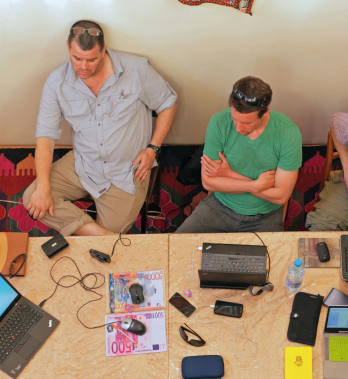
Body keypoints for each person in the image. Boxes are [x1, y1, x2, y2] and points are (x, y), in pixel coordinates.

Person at [23, 20, 177, 236]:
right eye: (77, 58)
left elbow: (167, 104)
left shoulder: (137, 69)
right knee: (32, 198)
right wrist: (43, 189)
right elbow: (45, 138)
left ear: (104, 51)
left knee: (106, 241)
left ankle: (94, 234)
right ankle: (103, 237)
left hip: (126, 172)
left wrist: (153, 148)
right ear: (68, 48)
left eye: (91, 59)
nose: (83, 67)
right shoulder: (55, 83)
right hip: (84, 164)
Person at [175, 76, 302, 233]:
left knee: (269, 258)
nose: (238, 128)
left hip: (265, 215)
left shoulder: (288, 133)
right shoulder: (218, 122)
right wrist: (255, 185)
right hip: (219, 207)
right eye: (235, 119)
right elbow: (208, 183)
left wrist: (230, 175)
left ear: (265, 112)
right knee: (177, 247)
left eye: (247, 123)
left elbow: (281, 196)